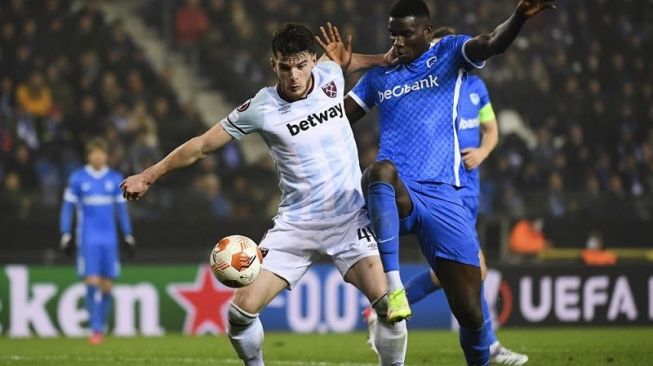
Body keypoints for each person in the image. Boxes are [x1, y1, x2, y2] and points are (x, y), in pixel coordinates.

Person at [120, 24, 407, 365]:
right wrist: (149, 176)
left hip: (348, 218)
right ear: (274, 64)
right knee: (240, 315)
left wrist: (381, 58)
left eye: (301, 66)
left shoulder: (331, 75)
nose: (294, 76)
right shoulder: (261, 107)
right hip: (296, 225)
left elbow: (345, 62)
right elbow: (201, 146)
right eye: (285, 67)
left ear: (313, 61)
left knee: (391, 309)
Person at [338, 1, 555, 364]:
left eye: (406, 34)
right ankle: (393, 289)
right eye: (393, 35)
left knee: (470, 313)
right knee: (379, 171)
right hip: (399, 193)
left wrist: (518, 16)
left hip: (443, 195)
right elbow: (335, 119)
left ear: (426, 31)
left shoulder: (449, 54)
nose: (398, 42)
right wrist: (334, 72)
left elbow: (491, 43)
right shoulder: (379, 78)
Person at [59, 138, 135, 345]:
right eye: (94, 153)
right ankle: (96, 329)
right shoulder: (77, 178)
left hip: (109, 241)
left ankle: (98, 326)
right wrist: (65, 233)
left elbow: (122, 211)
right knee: (91, 283)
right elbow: (67, 208)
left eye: (101, 153)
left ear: (106, 155)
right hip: (88, 240)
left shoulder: (115, 178)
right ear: (88, 155)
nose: (98, 156)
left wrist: (128, 235)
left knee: (107, 286)